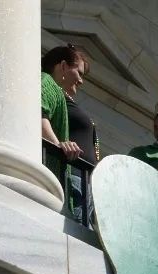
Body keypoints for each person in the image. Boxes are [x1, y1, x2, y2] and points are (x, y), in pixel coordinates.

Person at [41, 44, 100, 224]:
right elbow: (37, 114)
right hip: (73, 179)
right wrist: (58, 144)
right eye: (79, 73)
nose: (81, 81)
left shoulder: (60, 93)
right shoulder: (47, 82)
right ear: (64, 66)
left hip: (84, 181)